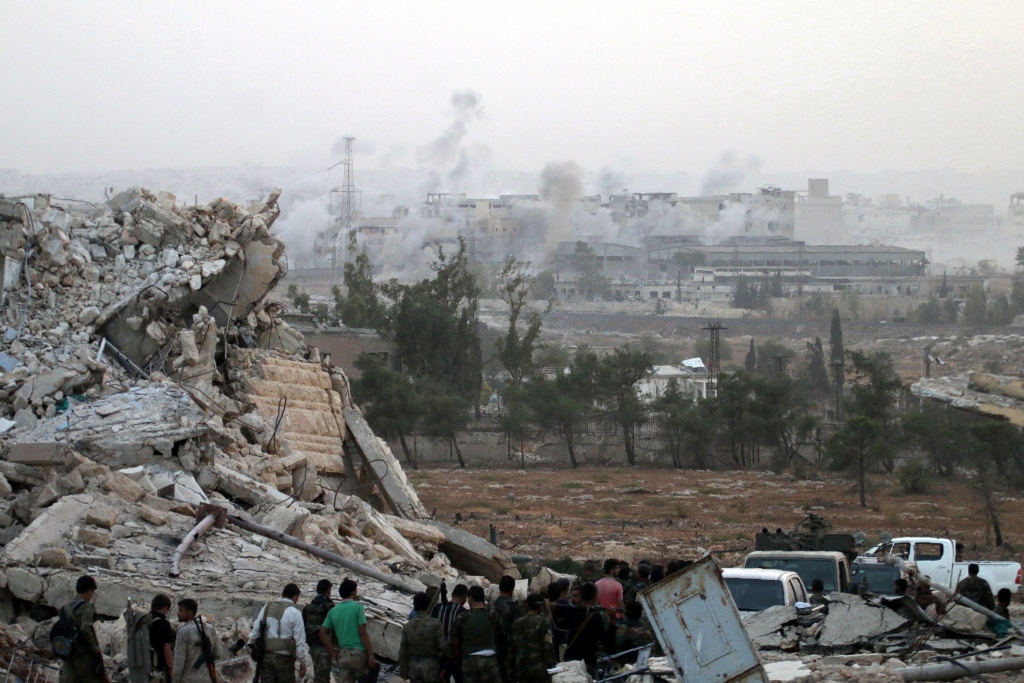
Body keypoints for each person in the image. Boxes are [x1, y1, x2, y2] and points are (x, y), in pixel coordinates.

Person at [319, 579, 377, 683]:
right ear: (352, 592)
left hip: (343, 656)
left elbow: (322, 633)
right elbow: (363, 632)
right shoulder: (358, 608)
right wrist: (371, 655)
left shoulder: (333, 611)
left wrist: (333, 654)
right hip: (358, 655)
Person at [249, 583, 309, 683]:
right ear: (295, 597)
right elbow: (300, 641)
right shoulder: (295, 613)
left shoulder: (266, 608)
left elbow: (256, 630)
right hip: (284, 658)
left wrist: (250, 645)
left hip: (266, 657)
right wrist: (302, 661)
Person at [60, 575, 105, 683]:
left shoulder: (66, 607)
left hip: (67, 650)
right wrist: (94, 647)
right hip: (82, 652)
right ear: (89, 591)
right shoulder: (86, 607)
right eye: (93, 592)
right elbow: (85, 628)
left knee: (69, 678)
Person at [450, 585, 500, 683]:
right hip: (489, 659)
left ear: (470, 598)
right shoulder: (492, 615)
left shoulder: (462, 617)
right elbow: (500, 631)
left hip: (469, 660)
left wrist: (455, 653)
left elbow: (454, 640)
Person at [399, 592, 449, 683]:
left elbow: (403, 651)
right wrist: (446, 666)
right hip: (431, 664)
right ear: (428, 605)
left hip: (413, 665)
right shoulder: (435, 624)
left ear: (414, 605)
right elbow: (444, 647)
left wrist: (404, 672)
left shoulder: (408, 626)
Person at [508, 593, 556, 683]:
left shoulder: (517, 622)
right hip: (539, 669)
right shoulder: (542, 622)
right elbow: (547, 646)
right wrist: (552, 665)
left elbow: (511, 647)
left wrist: (510, 667)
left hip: (521, 668)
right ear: (540, 606)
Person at [562, 583, 607, 677]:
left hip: (570, 660)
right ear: (595, 596)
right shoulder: (596, 616)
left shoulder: (571, 612)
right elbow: (606, 642)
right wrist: (613, 622)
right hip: (587, 662)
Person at [172, 598, 220, 683]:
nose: (178, 613)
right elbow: (218, 654)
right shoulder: (210, 628)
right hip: (207, 678)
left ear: (190, 613)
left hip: (189, 679)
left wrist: (175, 681)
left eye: (181, 610)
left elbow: (178, 664)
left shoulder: (183, 631)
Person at [302, 580, 335, 683]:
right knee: (323, 679)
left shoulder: (308, 607)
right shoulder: (329, 606)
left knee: (318, 676)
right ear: (328, 591)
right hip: (325, 648)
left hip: (312, 647)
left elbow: (304, 626)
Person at [491, 575, 522, 683]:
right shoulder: (514, 607)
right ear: (512, 589)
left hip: (491, 648)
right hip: (508, 648)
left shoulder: (489, 606)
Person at [149, 594, 176, 683]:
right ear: (165, 608)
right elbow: (167, 649)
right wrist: (171, 669)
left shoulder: (144, 621)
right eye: (167, 610)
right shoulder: (163, 624)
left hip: (142, 668)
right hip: (157, 670)